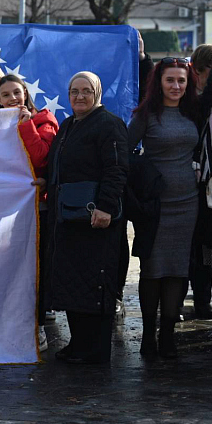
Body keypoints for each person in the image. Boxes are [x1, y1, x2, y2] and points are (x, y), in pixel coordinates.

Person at [47, 72, 128, 364]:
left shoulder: (109, 124)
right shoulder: (69, 125)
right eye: (74, 91)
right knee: (73, 283)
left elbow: (117, 169)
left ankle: (95, 350)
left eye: (86, 91)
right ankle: (79, 343)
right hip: (70, 218)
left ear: (97, 93)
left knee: (96, 284)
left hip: (97, 219)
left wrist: (105, 207)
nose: (80, 96)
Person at [128, 58, 200, 358]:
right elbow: (125, 150)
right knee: (153, 272)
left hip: (189, 204)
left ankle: (168, 335)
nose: (175, 86)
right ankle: (148, 336)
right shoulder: (147, 114)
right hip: (154, 206)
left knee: (178, 270)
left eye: (181, 81)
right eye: (170, 80)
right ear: (159, 82)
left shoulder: (195, 112)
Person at [0, 74, 59, 350]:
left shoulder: (43, 122)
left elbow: (41, 157)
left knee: (35, 268)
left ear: (26, 96)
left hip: (36, 208)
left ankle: (38, 325)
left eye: (17, 93)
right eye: (6, 95)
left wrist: (25, 126)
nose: (12, 99)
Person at [187, 44, 212, 320]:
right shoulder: (188, 100)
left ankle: (205, 303)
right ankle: (201, 301)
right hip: (197, 186)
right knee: (201, 248)